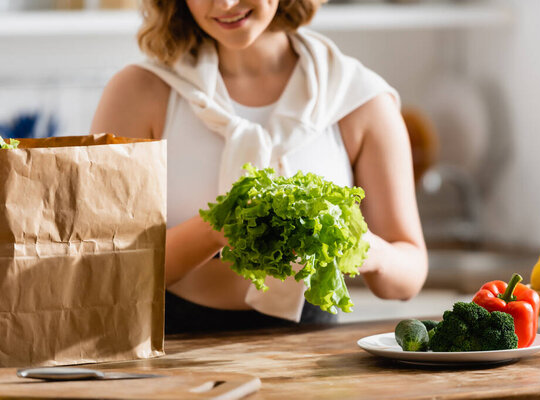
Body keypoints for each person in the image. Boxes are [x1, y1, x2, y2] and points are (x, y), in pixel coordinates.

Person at [90, 0, 428, 333]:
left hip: (312, 352)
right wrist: (219, 226)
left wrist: (362, 247)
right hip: (171, 342)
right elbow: (106, 269)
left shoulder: (357, 98)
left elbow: (408, 275)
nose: (224, 3)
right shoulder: (138, 92)